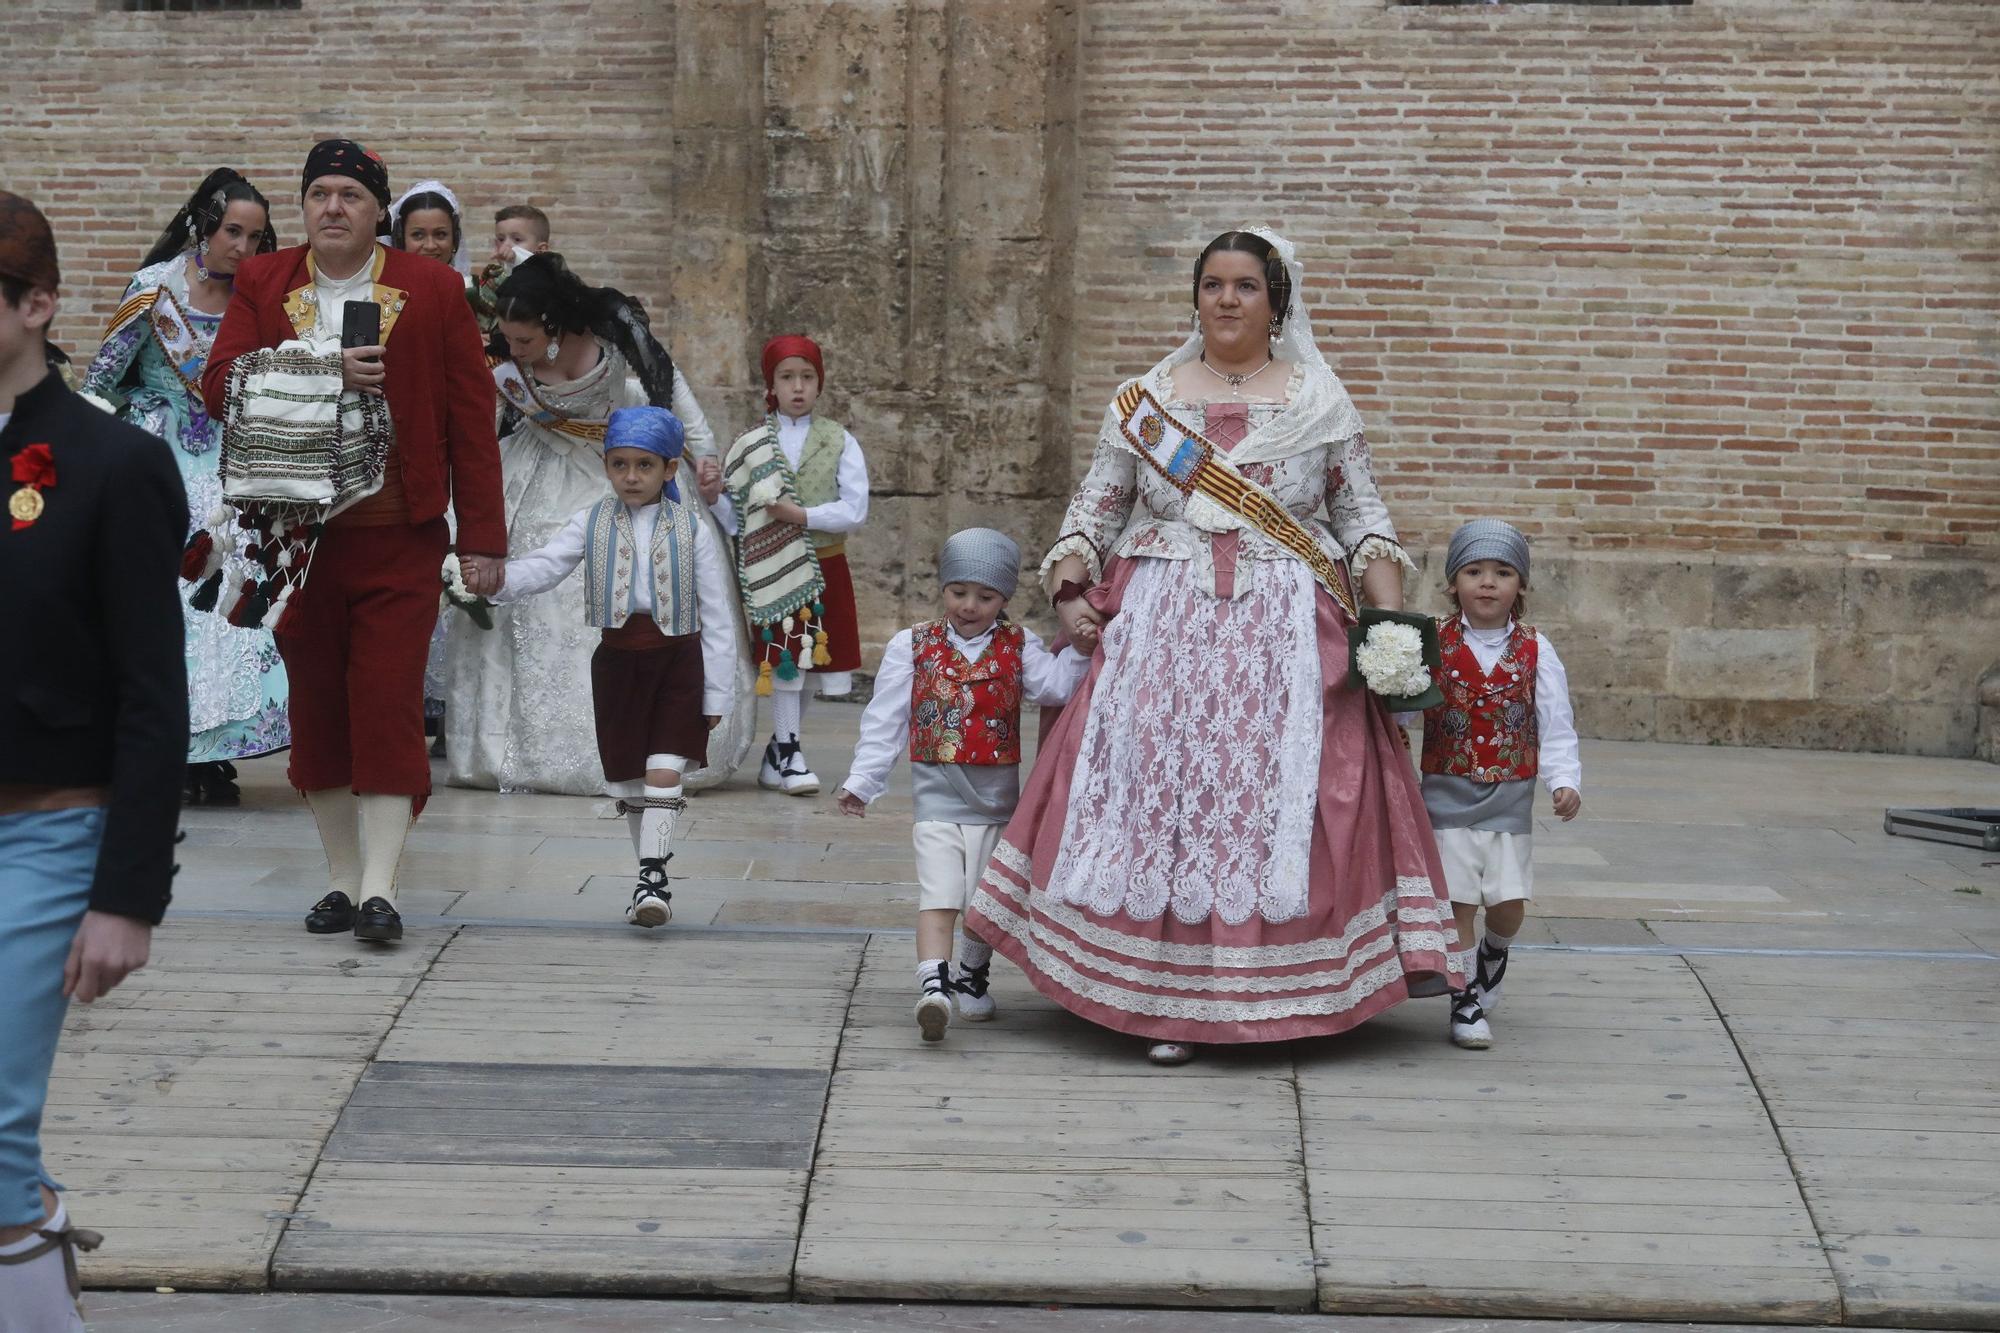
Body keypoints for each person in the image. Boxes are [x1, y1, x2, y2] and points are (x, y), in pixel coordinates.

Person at [963, 227, 1460, 1066]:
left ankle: (1268, 993)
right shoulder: (1146, 400)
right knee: (1161, 784)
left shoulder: (1320, 400)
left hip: (1288, 632)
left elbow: (1361, 518)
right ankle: (1158, 997)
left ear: (1277, 300)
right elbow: (1096, 511)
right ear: (1195, 296)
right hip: (1162, 624)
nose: (1226, 299)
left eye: (1246, 286)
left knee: (1275, 791)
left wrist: (1389, 632)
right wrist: (1073, 587)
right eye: (1213, 284)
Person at [200, 138, 507, 945]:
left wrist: (482, 539)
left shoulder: (434, 288)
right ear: (303, 208)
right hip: (297, 544)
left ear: (380, 211)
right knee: (321, 707)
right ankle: (340, 878)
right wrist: (323, 368)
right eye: (319, 194)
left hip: (398, 535)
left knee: (388, 701)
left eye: (350, 195)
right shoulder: (267, 280)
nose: (332, 207)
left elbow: (473, 420)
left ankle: (381, 887)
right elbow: (219, 383)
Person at [0, 190, 187, 1332]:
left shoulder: (115, 465)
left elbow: (152, 699)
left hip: (48, 832)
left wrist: (127, 895)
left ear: (36, 304)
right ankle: (40, 1236)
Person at [445, 254, 752, 795]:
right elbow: (479, 432)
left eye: (524, 341)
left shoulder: (610, 336)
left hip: (623, 469)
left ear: (555, 330)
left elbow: (668, 383)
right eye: (507, 339)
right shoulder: (507, 371)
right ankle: (508, 747)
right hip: (535, 473)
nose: (512, 351)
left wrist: (702, 454)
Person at [80, 168, 286, 809]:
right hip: (157, 464)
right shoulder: (152, 292)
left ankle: (215, 753)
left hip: (233, 472)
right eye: (232, 232)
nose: (242, 249)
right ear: (203, 226)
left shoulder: (260, 300)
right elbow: (101, 382)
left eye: (255, 237)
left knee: (236, 606)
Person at [837, 529, 1091, 1042]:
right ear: (943, 586)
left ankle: (972, 977)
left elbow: (1056, 686)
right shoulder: (912, 645)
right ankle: (934, 982)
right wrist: (863, 781)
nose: (969, 605)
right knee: (940, 893)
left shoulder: (1021, 646)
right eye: (959, 592)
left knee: (983, 898)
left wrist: (1083, 648)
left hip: (997, 803)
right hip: (935, 795)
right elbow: (885, 718)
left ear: (1005, 598)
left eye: (986, 596)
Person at [491, 406, 737, 927]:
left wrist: (717, 695)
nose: (631, 476)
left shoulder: (691, 529)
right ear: (606, 466)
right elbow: (546, 566)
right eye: (619, 464)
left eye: (644, 466)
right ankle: (649, 875)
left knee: (664, 771)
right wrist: (497, 582)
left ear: (670, 469)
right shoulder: (591, 521)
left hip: (678, 661)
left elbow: (717, 617)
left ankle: (652, 879)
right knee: (629, 779)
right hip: (618, 664)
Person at [1418, 519, 1581, 1050]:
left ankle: (1496, 949)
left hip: (1509, 794)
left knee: (1507, 900)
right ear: (1453, 584)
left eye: (1502, 572)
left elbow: (1555, 722)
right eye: (1474, 571)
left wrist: (1564, 780)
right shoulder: (1431, 643)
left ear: (1520, 587)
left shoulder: (1536, 650)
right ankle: (1463, 1001)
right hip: (1446, 791)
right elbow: (1401, 704)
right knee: (1459, 899)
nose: (1487, 582)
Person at [716, 335, 871, 795]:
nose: (798, 387)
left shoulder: (839, 440)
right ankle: (790, 754)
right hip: (773, 569)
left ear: (819, 384)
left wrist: (802, 516)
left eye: (807, 377)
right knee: (787, 662)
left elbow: (855, 509)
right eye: (787, 377)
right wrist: (712, 497)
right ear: (772, 384)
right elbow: (734, 518)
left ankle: (778, 754)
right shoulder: (749, 445)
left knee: (807, 667)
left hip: (825, 565)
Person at [387, 179, 474, 750]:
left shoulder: (476, 298)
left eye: (440, 234)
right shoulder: (384, 295)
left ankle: (451, 707)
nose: (430, 245)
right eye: (417, 234)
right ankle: (408, 704)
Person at [470, 205, 551, 332]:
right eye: (501, 239)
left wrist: (516, 258)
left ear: (541, 250)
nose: (506, 245)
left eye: (517, 239)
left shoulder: (546, 278)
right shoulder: (494, 276)